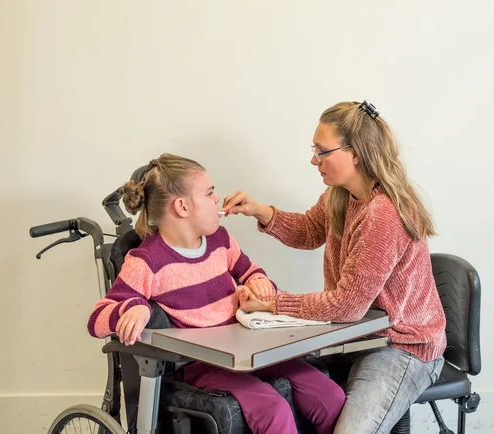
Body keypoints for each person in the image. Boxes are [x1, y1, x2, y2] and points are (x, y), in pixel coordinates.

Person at [222, 101, 447, 434]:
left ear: (355, 153)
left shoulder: (383, 215)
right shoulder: (341, 195)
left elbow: (346, 305)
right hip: (357, 335)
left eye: (322, 151)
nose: (314, 160)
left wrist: (273, 304)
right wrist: (259, 210)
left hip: (402, 347)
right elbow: (309, 231)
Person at [87, 153, 345, 434]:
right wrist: (134, 307)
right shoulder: (147, 260)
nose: (217, 198)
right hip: (204, 365)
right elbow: (97, 320)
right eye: (209, 192)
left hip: (249, 351)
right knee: (272, 410)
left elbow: (250, 271)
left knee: (330, 396)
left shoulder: (221, 241)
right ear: (182, 206)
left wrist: (258, 282)